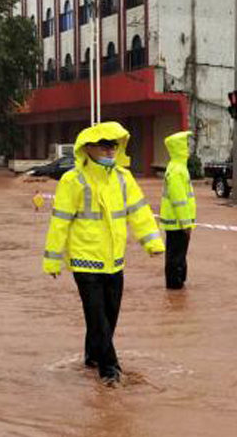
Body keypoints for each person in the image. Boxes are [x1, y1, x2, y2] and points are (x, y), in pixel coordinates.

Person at [42, 122, 165, 385]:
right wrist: (52, 260)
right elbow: (60, 221)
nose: (111, 150)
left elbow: (139, 211)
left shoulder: (123, 178)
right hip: (85, 261)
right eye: (105, 145)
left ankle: (93, 355)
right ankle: (110, 370)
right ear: (88, 148)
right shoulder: (72, 181)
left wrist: (152, 242)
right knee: (97, 316)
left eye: (114, 145)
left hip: (114, 261)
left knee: (109, 316)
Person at [158, 131, 197, 289]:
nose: (187, 148)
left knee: (177, 253)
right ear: (179, 148)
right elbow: (179, 200)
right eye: (185, 145)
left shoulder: (178, 167)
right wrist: (186, 223)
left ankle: (178, 278)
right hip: (178, 223)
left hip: (177, 222)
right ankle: (175, 282)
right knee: (176, 254)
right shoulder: (177, 170)